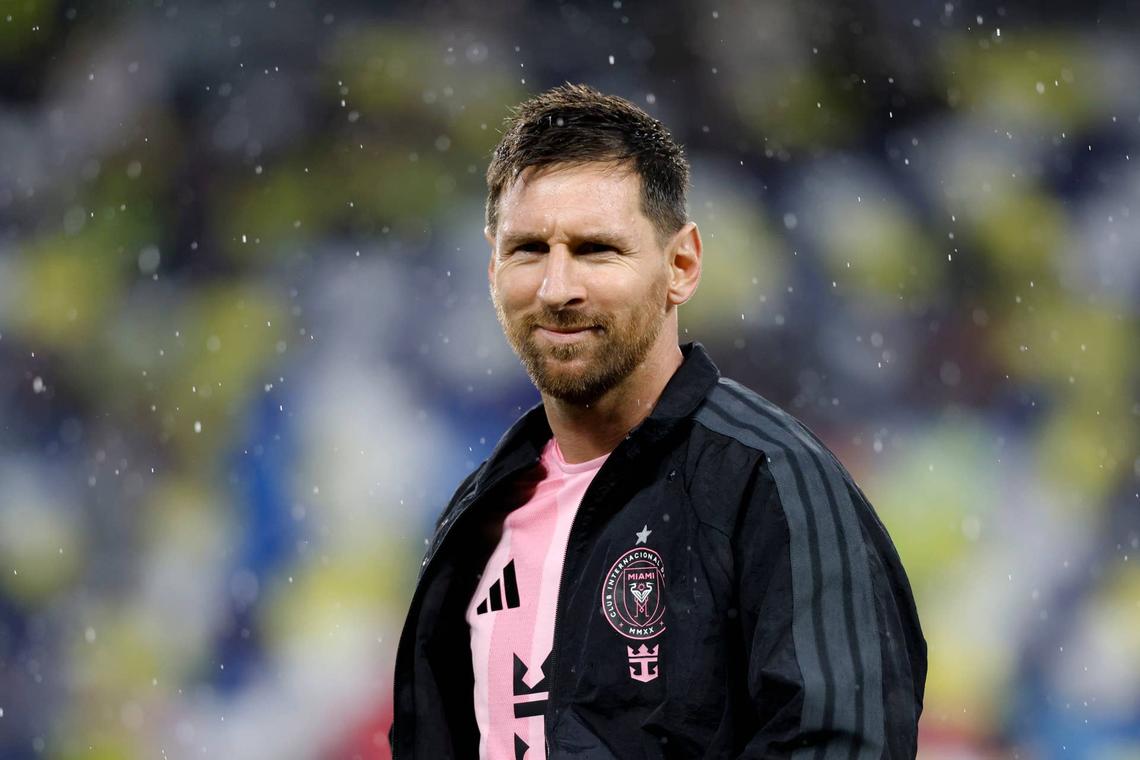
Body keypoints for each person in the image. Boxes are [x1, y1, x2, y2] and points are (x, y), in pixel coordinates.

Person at [390, 84, 926, 760]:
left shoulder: (773, 484)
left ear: (681, 266)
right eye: (528, 250)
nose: (557, 288)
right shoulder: (478, 514)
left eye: (596, 249)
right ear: (494, 268)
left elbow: (843, 745)